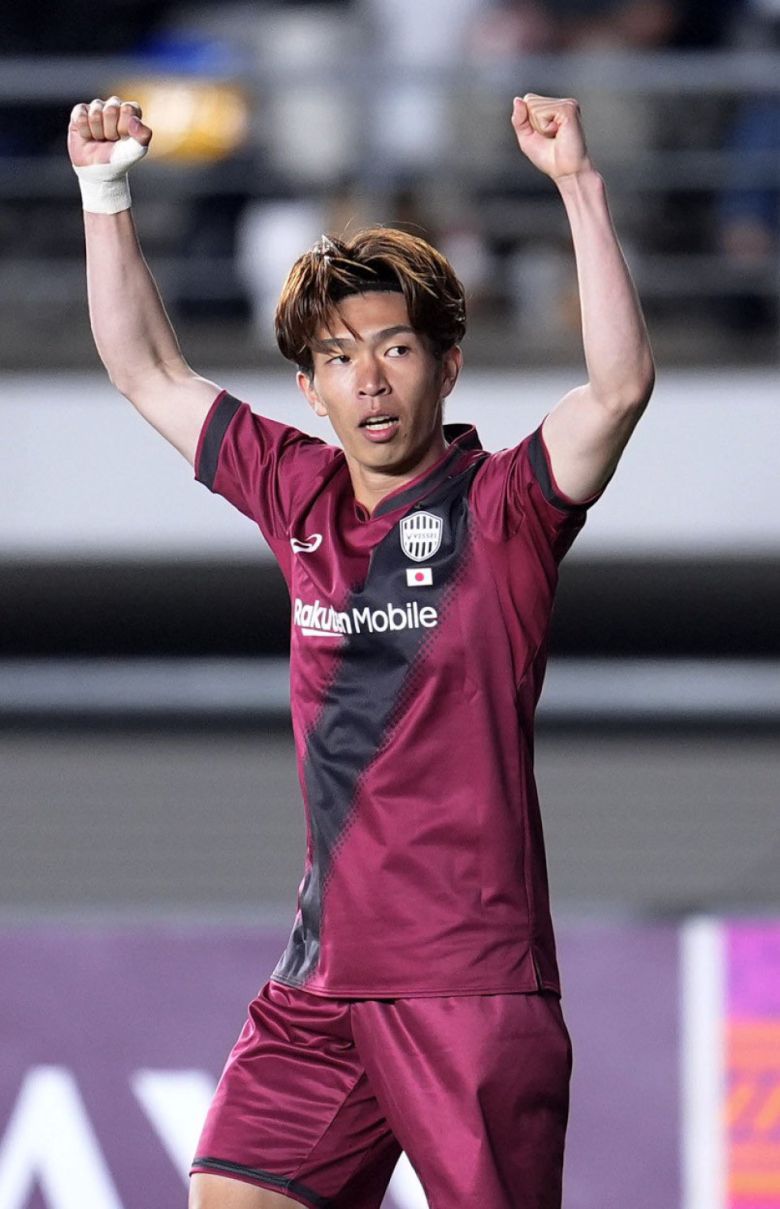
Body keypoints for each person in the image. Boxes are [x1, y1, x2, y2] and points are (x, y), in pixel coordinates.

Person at [68, 90, 654, 1209]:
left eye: (395, 348)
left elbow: (619, 388)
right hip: (321, 984)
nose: (371, 379)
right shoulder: (295, 493)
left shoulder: (506, 510)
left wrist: (577, 184)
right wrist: (105, 190)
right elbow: (148, 370)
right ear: (312, 388)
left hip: (470, 986)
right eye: (341, 358)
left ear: (447, 365)